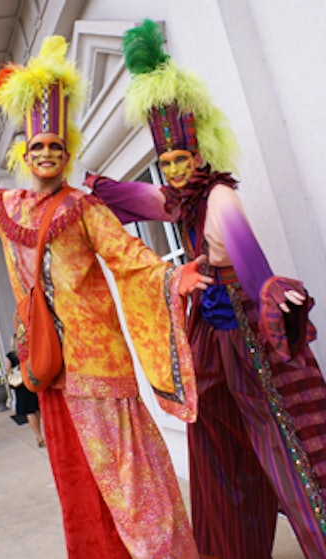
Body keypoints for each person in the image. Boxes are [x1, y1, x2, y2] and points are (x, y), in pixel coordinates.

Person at [0, 35, 215, 559]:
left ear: (66, 153)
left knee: (133, 485)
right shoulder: (6, 206)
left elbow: (129, 257)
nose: (47, 154)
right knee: (80, 487)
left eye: (56, 147)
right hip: (51, 372)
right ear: (25, 152)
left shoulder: (85, 209)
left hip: (101, 370)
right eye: (37, 147)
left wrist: (172, 279)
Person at [87, 19, 326, 559]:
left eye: (181, 159)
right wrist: (88, 191)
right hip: (209, 338)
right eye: (166, 161)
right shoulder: (181, 198)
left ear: (200, 154)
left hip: (243, 336)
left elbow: (249, 260)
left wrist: (270, 293)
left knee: (282, 442)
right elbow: (134, 200)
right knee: (219, 447)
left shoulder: (216, 198)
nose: (172, 170)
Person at [5, 337, 45, 448]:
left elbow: (8, 371)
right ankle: (45, 433)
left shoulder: (10, 356)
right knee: (38, 408)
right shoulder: (28, 352)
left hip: (21, 386)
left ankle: (38, 436)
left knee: (30, 411)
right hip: (31, 382)